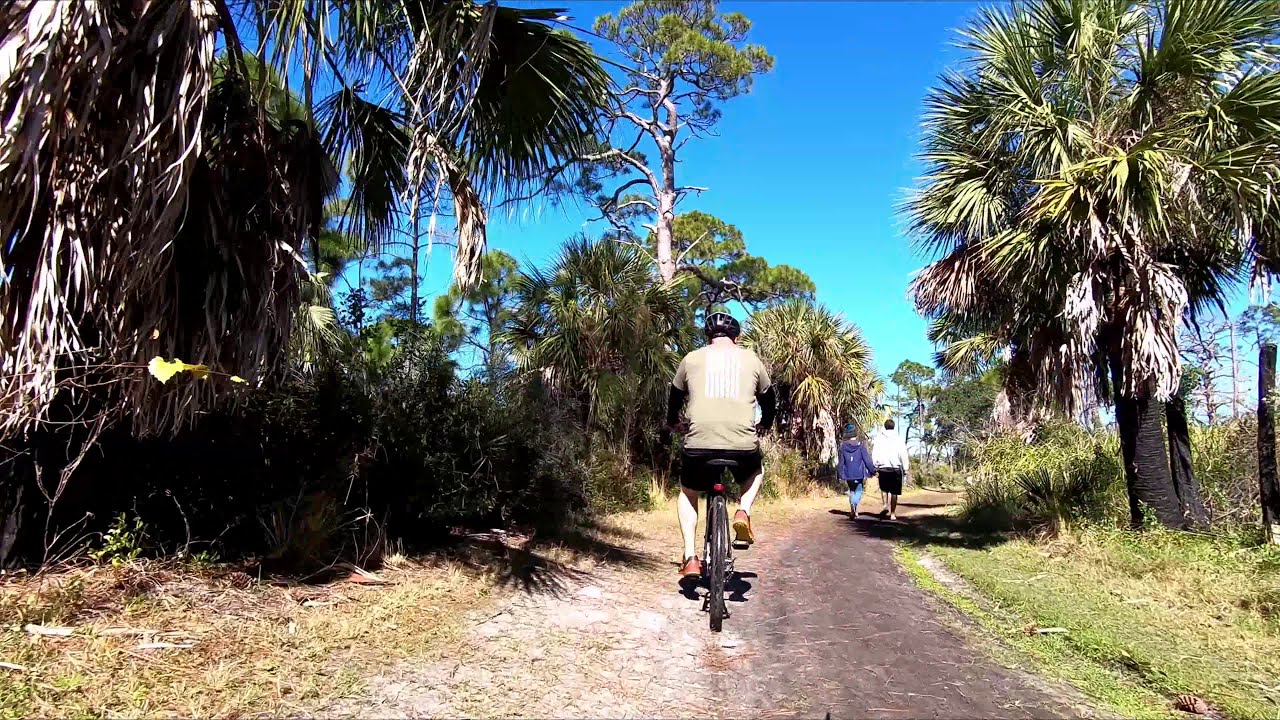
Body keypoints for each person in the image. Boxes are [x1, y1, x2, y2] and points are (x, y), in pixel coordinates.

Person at [665, 311, 776, 577]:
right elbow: (769, 399)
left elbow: (675, 397)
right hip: (742, 442)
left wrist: (673, 422)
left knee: (688, 492)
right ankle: (743, 512)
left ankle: (690, 557)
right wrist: (765, 423)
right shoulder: (751, 359)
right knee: (756, 471)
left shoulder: (691, 358)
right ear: (736, 337)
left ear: (708, 337)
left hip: (698, 442)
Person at [871, 418, 910, 520]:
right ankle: (892, 514)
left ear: (885, 427)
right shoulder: (898, 438)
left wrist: (875, 466)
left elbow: (875, 453)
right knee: (894, 492)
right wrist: (905, 468)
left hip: (883, 467)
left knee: (884, 489)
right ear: (894, 426)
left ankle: (885, 506)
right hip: (895, 468)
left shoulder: (879, 439)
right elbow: (903, 454)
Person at [837, 423, 876, 518]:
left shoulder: (842, 447)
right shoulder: (861, 445)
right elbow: (867, 460)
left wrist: (839, 474)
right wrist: (872, 471)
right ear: (855, 434)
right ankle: (854, 503)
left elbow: (841, 462)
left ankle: (853, 512)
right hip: (859, 473)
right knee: (858, 491)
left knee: (852, 490)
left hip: (848, 473)